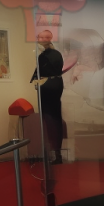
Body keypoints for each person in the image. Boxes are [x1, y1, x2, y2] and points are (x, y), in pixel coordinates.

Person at [30, 30, 64, 164]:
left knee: (50, 120)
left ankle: (55, 154)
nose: (39, 39)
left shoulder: (47, 55)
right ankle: (56, 153)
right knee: (52, 119)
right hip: (52, 86)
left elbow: (43, 72)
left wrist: (39, 81)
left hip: (48, 87)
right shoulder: (52, 54)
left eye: (42, 37)